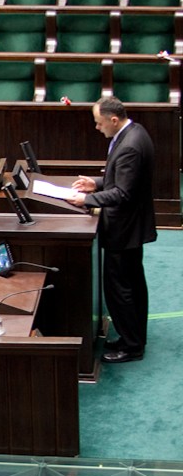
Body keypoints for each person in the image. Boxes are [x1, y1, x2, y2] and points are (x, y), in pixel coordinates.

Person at [65, 96, 156, 363]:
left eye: (99, 123)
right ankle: (134, 336)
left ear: (113, 120)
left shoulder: (130, 146)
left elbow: (124, 193)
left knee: (121, 289)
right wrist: (96, 183)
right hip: (131, 227)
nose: (97, 127)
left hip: (124, 230)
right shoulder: (135, 132)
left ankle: (131, 346)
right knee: (133, 286)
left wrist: (87, 200)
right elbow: (121, 178)